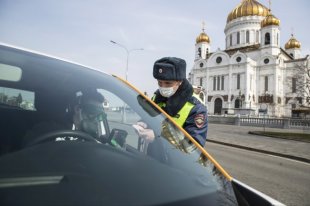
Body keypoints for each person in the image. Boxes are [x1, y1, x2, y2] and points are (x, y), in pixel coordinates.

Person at [135, 57, 208, 148]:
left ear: (180, 81)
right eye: (159, 83)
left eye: (168, 83)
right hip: (154, 157)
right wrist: (144, 123)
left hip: (175, 161)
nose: (163, 87)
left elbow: (193, 146)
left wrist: (158, 138)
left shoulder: (196, 108)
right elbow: (152, 118)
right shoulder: (157, 97)